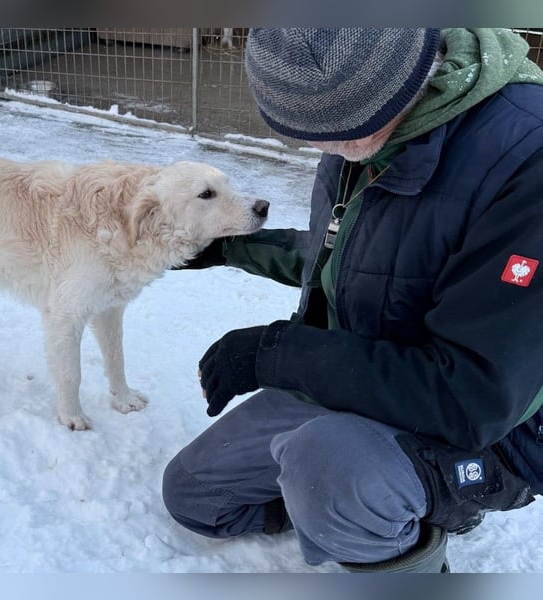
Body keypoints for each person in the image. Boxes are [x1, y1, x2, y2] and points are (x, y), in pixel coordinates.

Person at [161, 28, 543, 573]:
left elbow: (474, 395)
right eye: (311, 132)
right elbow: (356, 259)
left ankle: (409, 537)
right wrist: (232, 251)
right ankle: (352, 499)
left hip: (495, 429)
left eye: (344, 130)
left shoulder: (527, 156)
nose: (325, 147)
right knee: (196, 495)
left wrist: (278, 353)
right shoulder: (367, 137)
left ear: (400, 79)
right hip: (369, 377)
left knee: (331, 467)